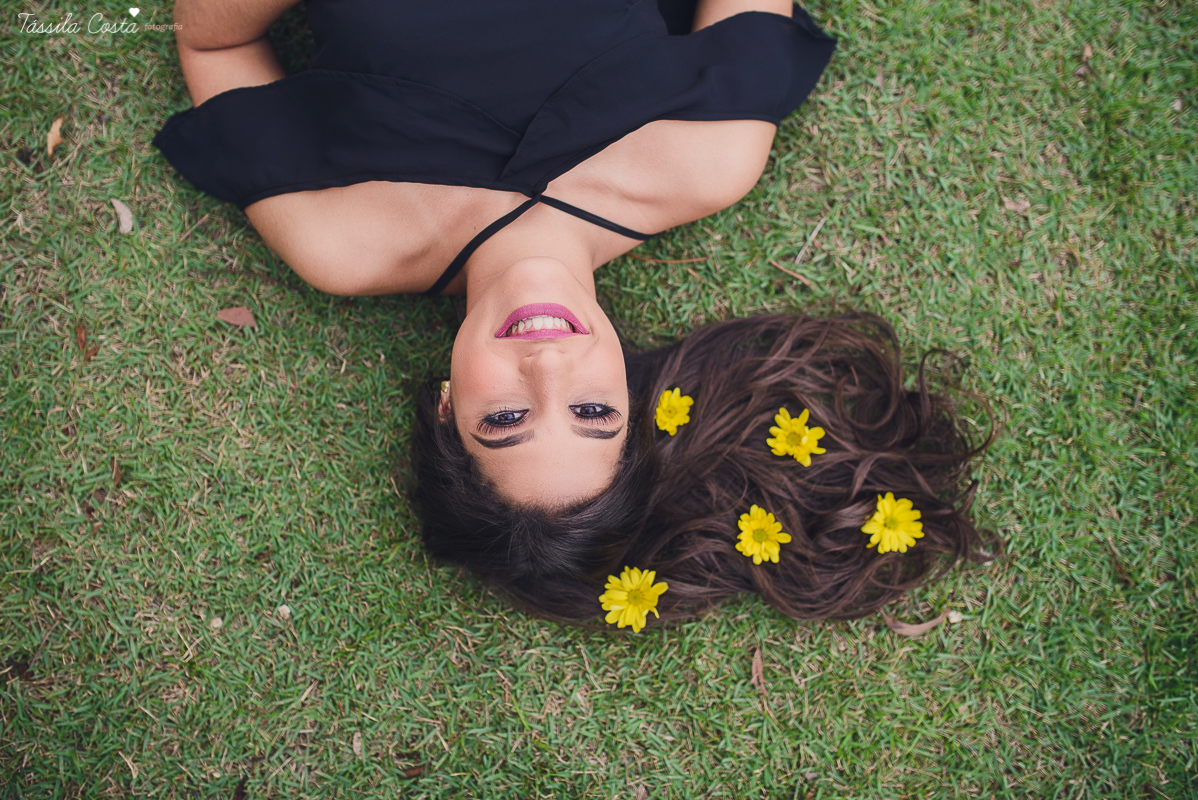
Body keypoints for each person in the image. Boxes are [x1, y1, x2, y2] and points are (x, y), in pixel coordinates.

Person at [155, 0, 995, 631]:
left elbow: (212, 37)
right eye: (593, 414)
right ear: (633, 395)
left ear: (447, 407)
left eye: (508, 418)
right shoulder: (707, 157)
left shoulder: (342, 239)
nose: (548, 367)